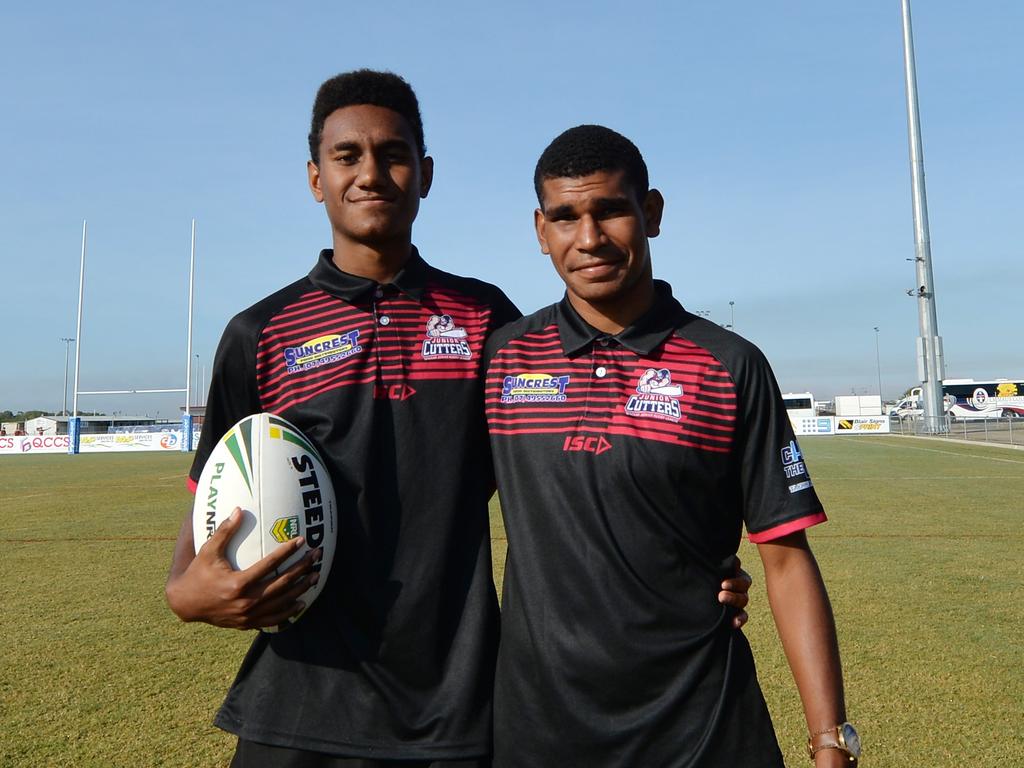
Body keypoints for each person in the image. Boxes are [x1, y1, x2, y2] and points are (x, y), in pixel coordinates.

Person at [166, 72, 752, 767]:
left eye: (394, 153)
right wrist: (186, 591)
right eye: (346, 156)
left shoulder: (488, 323)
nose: (371, 173)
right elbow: (214, 497)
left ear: (427, 173)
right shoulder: (259, 333)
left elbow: (592, 455)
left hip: (455, 712)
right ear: (316, 178)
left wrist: (694, 568)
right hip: (299, 705)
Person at [482, 125, 859, 767]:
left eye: (611, 210)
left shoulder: (728, 365)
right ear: (541, 231)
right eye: (566, 217)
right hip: (539, 732)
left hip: (702, 727)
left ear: (651, 213)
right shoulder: (502, 360)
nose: (590, 238)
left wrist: (831, 741)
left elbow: (787, 559)